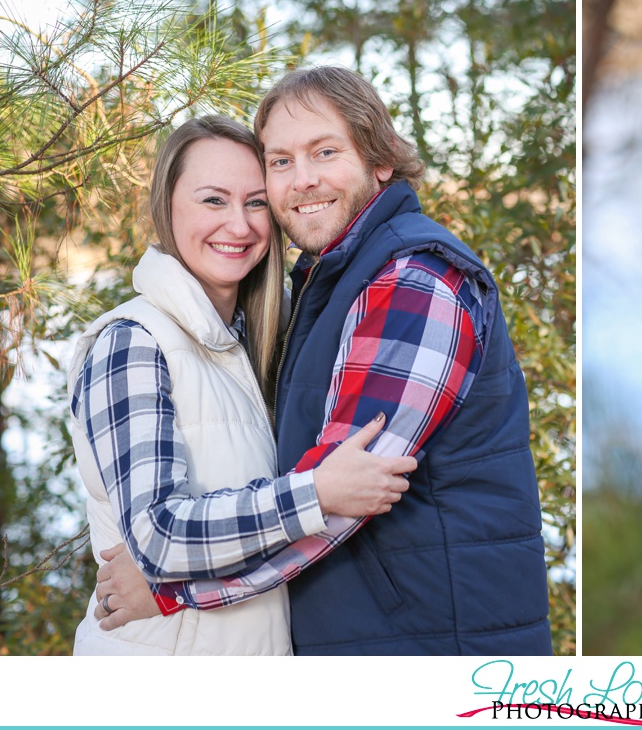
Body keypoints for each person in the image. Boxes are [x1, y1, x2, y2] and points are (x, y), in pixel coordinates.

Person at [98, 68, 553, 655]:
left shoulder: (412, 282)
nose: (302, 180)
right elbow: (319, 491)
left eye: (325, 152)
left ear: (379, 159)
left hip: (432, 651)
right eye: (280, 162)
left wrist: (172, 589)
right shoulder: (322, 289)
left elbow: (338, 501)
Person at [69, 115, 417, 655]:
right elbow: (159, 536)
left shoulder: (254, 347)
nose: (239, 226)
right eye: (213, 200)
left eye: (256, 203)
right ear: (168, 204)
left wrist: (168, 591)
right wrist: (318, 492)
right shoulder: (133, 342)